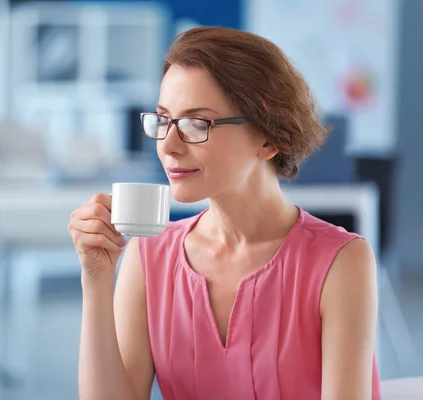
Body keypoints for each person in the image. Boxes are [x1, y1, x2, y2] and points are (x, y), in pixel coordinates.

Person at [68, 26, 380, 400]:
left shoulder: (339, 262)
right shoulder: (149, 257)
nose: (168, 146)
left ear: (268, 137)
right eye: (164, 119)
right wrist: (96, 279)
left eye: (196, 123)